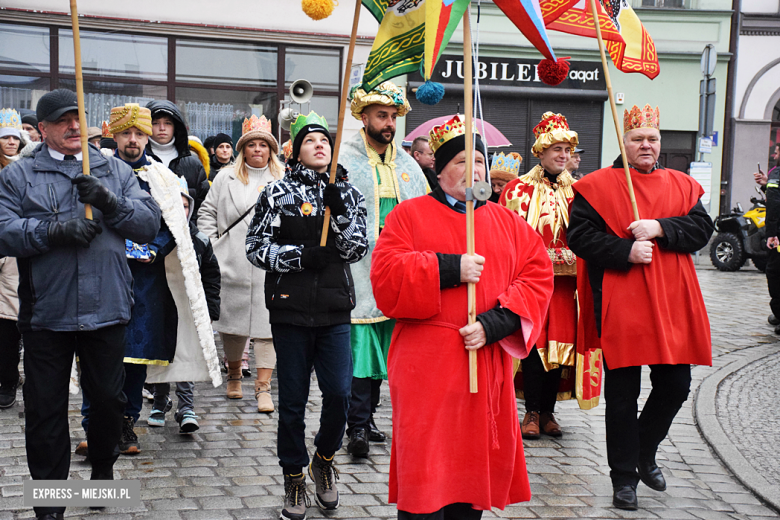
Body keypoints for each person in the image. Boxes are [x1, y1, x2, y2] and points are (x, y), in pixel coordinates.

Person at [370, 114, 554, 519]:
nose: (473, 170)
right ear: (440, 170)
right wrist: (449, 269)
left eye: (479, 163)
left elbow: (537, 276)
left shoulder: (508, 222)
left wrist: (497, 323)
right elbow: (385, 278)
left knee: (471, 481)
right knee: (426, 477)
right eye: (461, 162)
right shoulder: (408, 215)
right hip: (427, 366)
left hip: (483, 364)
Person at [0, 89, 160, 520]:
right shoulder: (20, 174)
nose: (73, 126)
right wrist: (53, 233)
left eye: (78, 118)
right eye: (62, 120)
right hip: (46, 312)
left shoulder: (114, 169)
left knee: (108, 401)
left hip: (107, 306)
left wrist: (110, 201)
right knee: (45, 410)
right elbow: (3, 229)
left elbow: (149, 224)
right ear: (45, 128)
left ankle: (104, 473)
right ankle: (50, 504)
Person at [567, 104, 714, 511]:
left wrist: (661, 227)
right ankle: (623, 478)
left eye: (652, 139)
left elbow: (702, 229)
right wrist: (625, 250)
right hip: (620, 301)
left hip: (671, 303)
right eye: (638, 139)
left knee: (675, 386)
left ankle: (645, 449)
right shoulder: (597, 185)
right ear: (624, 142)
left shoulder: (681, 185)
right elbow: (579, 237)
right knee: (621, 394)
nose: (646, 145)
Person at [246, 111, 368, 520]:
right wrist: (300, 256)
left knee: (338, 393)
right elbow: (256, 247)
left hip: (334, 309)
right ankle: (294, 476)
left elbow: (356, 250)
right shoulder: (276, 192)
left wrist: (342, 214)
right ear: (296, 149)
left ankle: (324, 458)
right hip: (290, 310)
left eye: (325, 140)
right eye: (311, 140)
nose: (320, 145)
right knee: (293, 402)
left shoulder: (347, 193)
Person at [339, 81, 427, 457]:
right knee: (362, 348)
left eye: (393, 116)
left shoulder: (408, 164)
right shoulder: (342, 160)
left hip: (399, 269)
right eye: (381, 116)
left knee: (388, 349)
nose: (389, 123)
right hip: (359, 269)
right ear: (364, 117)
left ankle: (370, 417)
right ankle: (355, 424)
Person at [500, 113, 583, 439]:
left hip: (565, 286)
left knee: (559, 350)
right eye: (556, 149)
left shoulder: (580, 190)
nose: (563, 155)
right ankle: (531, 411)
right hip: (531, 285)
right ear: (541, 152)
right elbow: (507, 237)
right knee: (533, 348)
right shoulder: (517, 190)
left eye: (567, 149)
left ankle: (549, 411)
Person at [199, 115, 283, 411]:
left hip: (269, 265)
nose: (257, 150)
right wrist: (213, 245)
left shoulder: (283, 178)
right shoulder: (225, 177)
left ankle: (263, 387)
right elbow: (206, 212)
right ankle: (234, 375)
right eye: (252, 145)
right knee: (232, 326)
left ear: (271, 150)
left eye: (263, 145)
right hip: (231, 260)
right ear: (243, 149)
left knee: (267, 327)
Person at [148, 184, 221, 433]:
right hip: (161, 304)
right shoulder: (153, 239)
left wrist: (211, 309)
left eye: (186, 205)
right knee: (162, 354)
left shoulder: (199, 239)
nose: (181, 210)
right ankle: (159, 401)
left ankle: (186, 406)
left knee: (186, 352)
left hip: (189, 306)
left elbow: (212, 274)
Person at [145, 100, 210, 217]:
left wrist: (192, 230)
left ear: (176, 126)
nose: (162, 128)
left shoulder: (193, 163)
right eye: (155, 123)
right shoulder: (139, 159)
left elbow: (204, 206)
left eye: (168, 123)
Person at [0, 108, 23, 409]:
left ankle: (8, 381)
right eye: (4, 136)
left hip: (13, 253)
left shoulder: (25, 169)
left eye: (13, 137)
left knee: (8, 321)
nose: (10, 142)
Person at [754, 144, 780, 331]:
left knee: (775, 274)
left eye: (777, 151)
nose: (774, 154)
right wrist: (766, 184)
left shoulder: (777, 174)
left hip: (778, 236)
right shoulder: (774, 175)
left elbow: (774, 207)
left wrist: (772, 234)